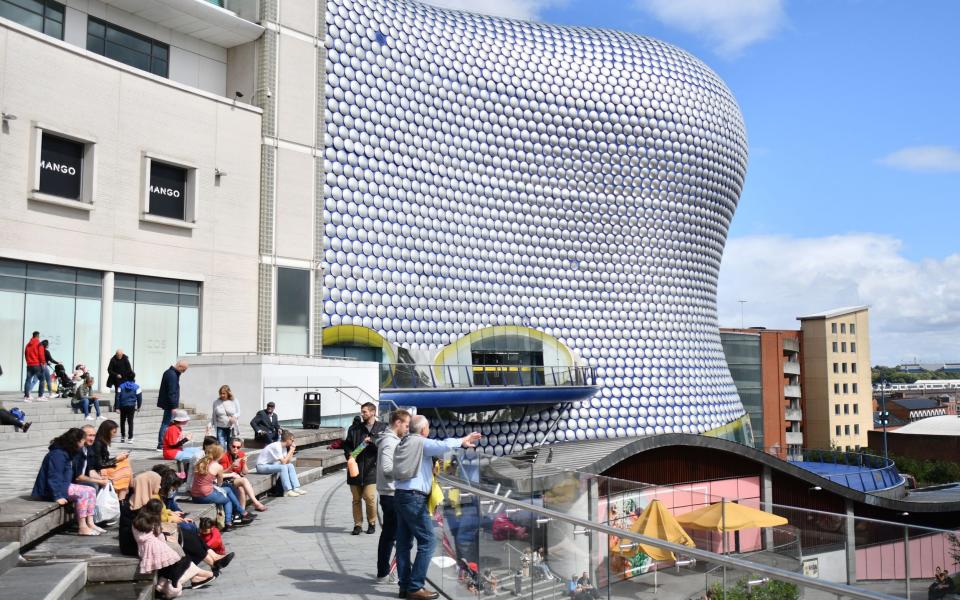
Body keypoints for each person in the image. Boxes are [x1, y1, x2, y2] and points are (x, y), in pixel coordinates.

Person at [393, 415, 481, 600]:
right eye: (428, 428)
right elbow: (442, 445)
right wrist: (463, 440)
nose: (429, 432)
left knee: (403, 543)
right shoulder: (420, 442)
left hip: (400, 495)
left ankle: (404, 585)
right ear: (424, 430)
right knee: (428, 541)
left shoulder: (405, 442)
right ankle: (415, 587)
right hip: (413, 498)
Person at [133, 498, 217, 598]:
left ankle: (201, 575)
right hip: (156, 547)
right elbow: (159, 536)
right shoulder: (154, 521)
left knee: (178, 562)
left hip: (143, 549)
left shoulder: (136, 521)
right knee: (183, 560)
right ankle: (175, 584)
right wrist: (165, 540)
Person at [31, 428, 99, 535]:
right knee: (84, 492)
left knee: (91, 490)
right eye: (82, 441)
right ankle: (82, 526)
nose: (83, 444)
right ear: (75, 441)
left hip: (63, 485)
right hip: (50, 490)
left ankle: (90, 523)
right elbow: (54, 477)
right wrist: (57, 496)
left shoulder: (66, 452)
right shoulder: (57, 455)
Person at [375, 408, 411, 580]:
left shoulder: (389, 440)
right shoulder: (390, 442)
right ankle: (389, 570)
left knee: (389, 534)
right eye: (406, 425)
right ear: (398, 423)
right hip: (391, 493)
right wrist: (407, 472)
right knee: (395, 535)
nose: (407, 429)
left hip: (389, 492)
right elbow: (387, 468)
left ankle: (383, 570)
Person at [343, 401, 387, 535]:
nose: (362, 414)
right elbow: (347, 446)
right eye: (362, 412)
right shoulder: (354, 429)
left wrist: (372, 442)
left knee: (369, 497)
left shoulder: (382, 428)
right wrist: (350, 454)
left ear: (373, 412)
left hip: (372, 469)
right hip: (355, 469)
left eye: (365, 412)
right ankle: (357, 525)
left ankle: (372, 522)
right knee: (356, 499)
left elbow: (384, 447)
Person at [190, 444, 255, 530]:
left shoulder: (201, 462)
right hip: (205, 496)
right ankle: (229, 522)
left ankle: (243, 512)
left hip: (194, 496)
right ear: (218, 455)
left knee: (227, 490)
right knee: (228, 500)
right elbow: (220, 483)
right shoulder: (217, 466)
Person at [219, 437, 267, 511]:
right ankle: (256, 502)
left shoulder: (241, 454)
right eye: (234, 446)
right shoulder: (224, 457)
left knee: (241, 489)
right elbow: (220, 473)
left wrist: (244, 463)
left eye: (238, 447)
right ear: (230, 446)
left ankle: (242, 512)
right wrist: (231, 467)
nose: (236, 449)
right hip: (226, 480)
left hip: (237, 479)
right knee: (244, 481)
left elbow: (245, 472)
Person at [91, 419, 132, 500]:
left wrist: (118, 457)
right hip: (98, 470)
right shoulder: (98, 443)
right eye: (113, 432)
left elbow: (104, 460)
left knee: (125, 462)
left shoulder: (102, 442)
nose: (115, 435)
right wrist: (116, 459)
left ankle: (121, 498)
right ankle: (121, 499)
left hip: (102, 467)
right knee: (125, 470)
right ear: (106, 431)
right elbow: (99, 464)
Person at [256, 430, 305, 497]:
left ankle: (296, 488)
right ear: (287, 440)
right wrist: (291, 451)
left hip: (270, 464)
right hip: (261, 466)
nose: (293, 442)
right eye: (292, 440)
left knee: (290, 465)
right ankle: (287, 490)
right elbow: (284, 462)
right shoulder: (277, 446)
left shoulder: (284, 447)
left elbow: (287, 462)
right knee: (283, 467)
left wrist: (292, 451)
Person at [157, 360, 188, 450]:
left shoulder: (170, 373)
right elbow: (172, 392)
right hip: (170, 404)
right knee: (166, 423)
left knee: (167, 423)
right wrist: (174, 406)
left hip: (168, 403)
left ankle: (165, 443)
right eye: (184, 370)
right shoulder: (172, 375)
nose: (184, 372)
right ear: (179, 366)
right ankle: (161, 444)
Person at [114, 375, 142, 443]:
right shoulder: (137, 387)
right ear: (134, 378)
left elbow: (117, 397)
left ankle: (123, 437)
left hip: (122, 405)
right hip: (131, 406)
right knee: (130, 422)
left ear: (126, 378)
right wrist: (138, 406)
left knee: (122, 421)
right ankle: (130, 438)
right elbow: (139, 398)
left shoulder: (121, 386)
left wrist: (117, 407)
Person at [22, 331, 48, 401]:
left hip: (29, 365)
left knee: (28, 380)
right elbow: (41, 355)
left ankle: (27, 396)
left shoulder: (27, 345)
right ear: (38, 336)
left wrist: (28, 362)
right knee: (42, 379)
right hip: (37, 365)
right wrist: (43, 363)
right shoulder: (39, 344)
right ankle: (40, 396)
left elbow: (26, 354)